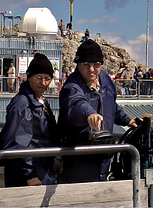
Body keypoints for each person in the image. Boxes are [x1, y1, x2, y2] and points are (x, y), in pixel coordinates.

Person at [58, 39, 137, 183]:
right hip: (79, 161)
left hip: (103, 158)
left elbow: (110, 105)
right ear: (78, 64)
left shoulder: (105, 80)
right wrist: (90, 114)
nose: (92, 69)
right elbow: (76, 104)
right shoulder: (71, 87)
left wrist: (127, 120)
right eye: (86, 65)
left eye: (96, 65)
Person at [0, 53, 59, 187]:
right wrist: (29, 174)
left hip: (43, 169)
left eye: (47, 78)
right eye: (39, 78)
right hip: (30, 174)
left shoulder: (40, 100)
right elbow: (17, 142)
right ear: (29, 77)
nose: (43, 83)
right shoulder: (22, 103)